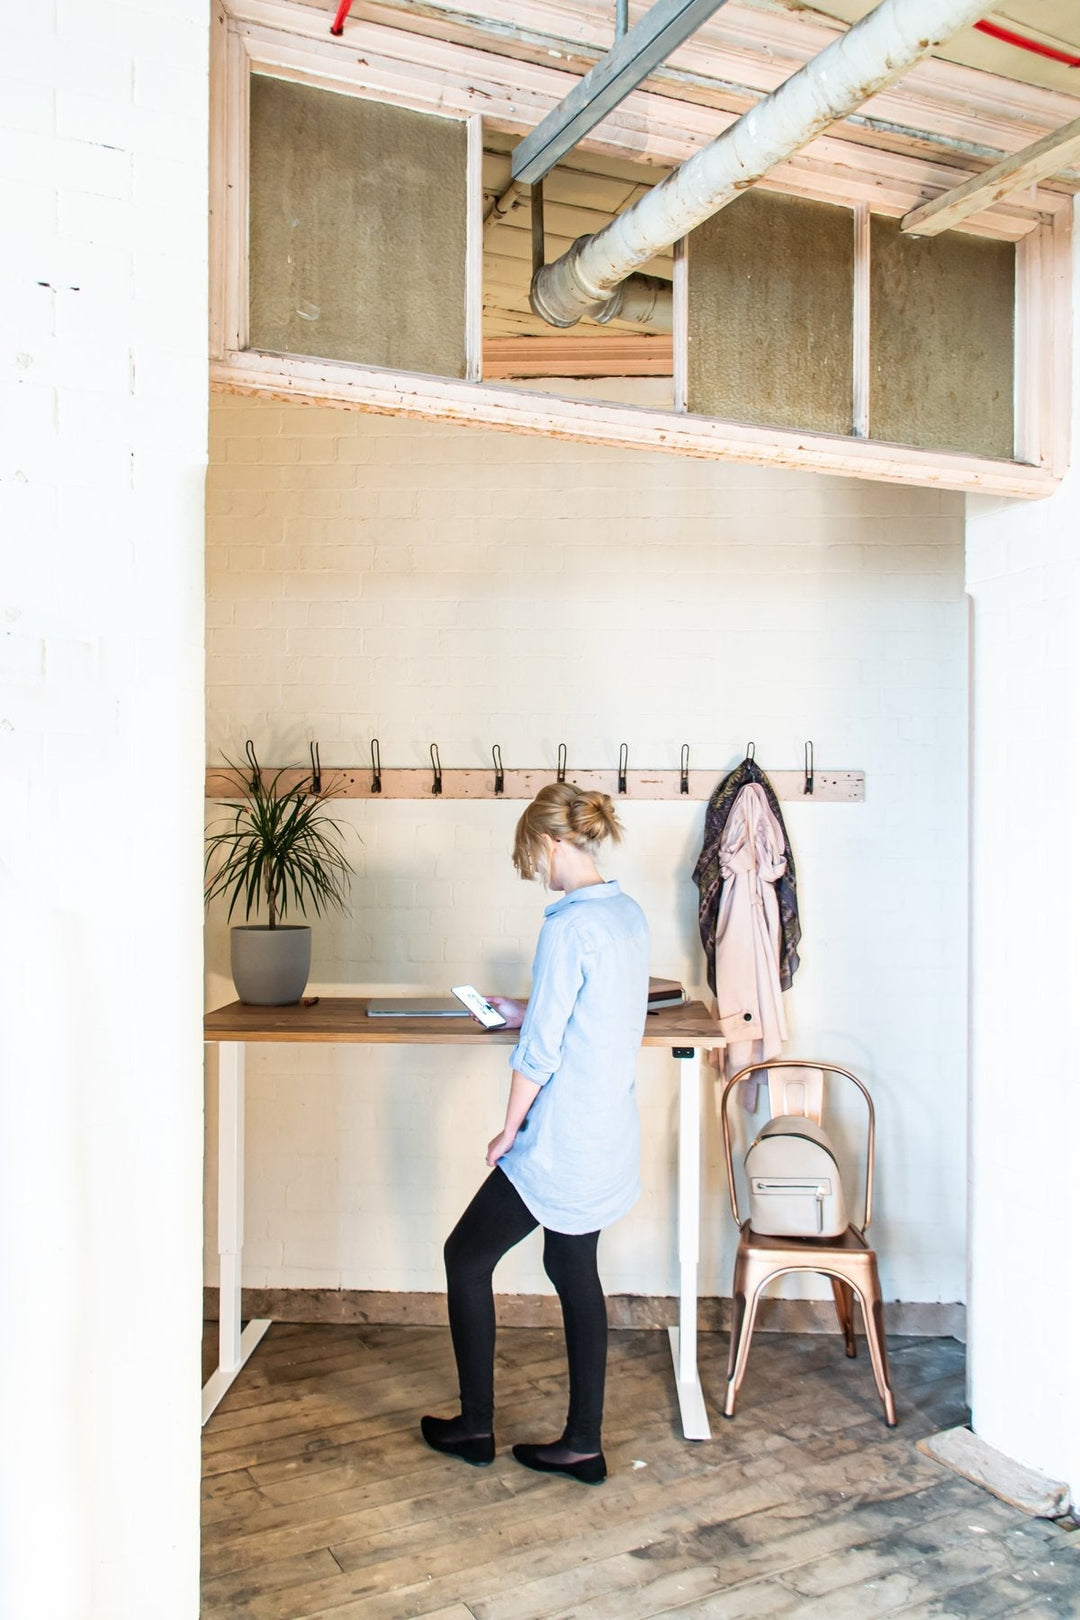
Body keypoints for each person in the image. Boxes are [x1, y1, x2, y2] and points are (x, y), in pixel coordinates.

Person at [420, 781, 650, 1485]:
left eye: (535, 859)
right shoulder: (625, 914)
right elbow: (591, 1015)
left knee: (464, 1256)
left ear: (553, 843)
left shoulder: (568, 924)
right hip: (606, 1130)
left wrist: (507, 1130)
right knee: (571, 1269)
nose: (538, 875)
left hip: (560, 1140)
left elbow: (541, 1054)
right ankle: (582, 1443)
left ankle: (476, 1426)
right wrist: (525, 1007)